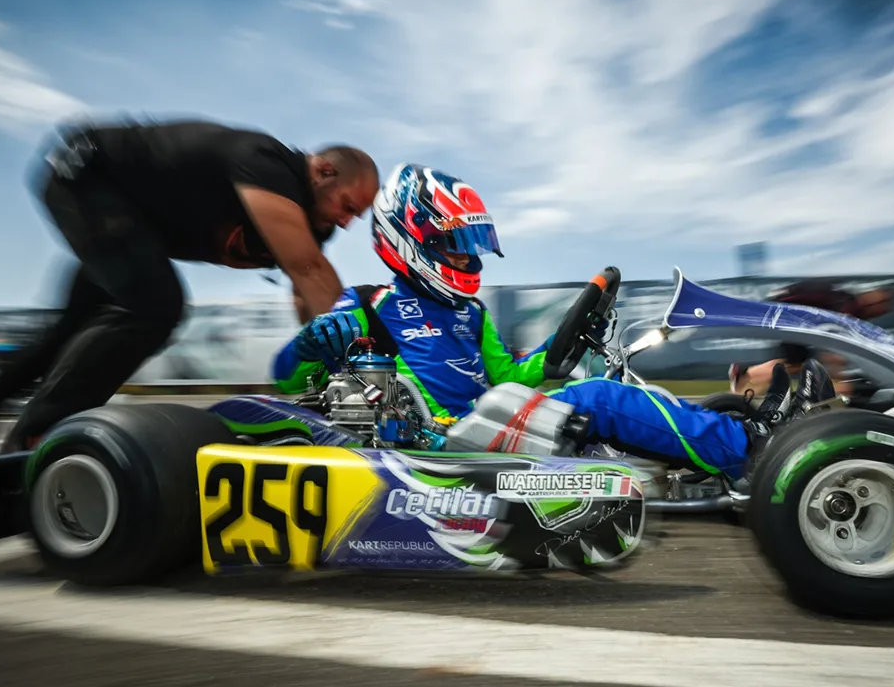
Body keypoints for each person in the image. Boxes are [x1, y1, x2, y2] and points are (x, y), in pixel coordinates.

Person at [272, 163, 822, 486]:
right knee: (603, 401)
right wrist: (308, 346)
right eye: (456, 249)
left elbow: (508, 375)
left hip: (489, 421)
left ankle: (722, 435)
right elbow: (287, 381)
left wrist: (560, 351)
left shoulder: (471, 313)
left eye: (471, 250)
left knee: (611, 393)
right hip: (435, 440)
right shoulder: (368, 305)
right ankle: (755, 447)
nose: (468, 262)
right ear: (412, 241)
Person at [0, 118, 380, 463]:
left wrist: (326, 375)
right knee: (155, 307)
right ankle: (38, 442)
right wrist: (371, 372)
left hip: (136, 227)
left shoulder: (314, 225)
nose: (346, 221)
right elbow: (310, 271)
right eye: (347, 205)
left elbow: (306, 296)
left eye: (355, 217)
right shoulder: (270, 165)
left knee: (66, 338)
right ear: (321, 171)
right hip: (88, 177)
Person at [727, 280, 894, 401]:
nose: (880, 314)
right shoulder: (850, 308)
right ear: (875, 303)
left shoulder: (847, 301)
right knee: (796, 364)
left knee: (795, 364)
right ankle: (746, 374)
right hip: (788, 316)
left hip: (788, 315)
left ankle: (746, 377)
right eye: (882, 309)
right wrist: (845, 385)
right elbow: (834, 351)